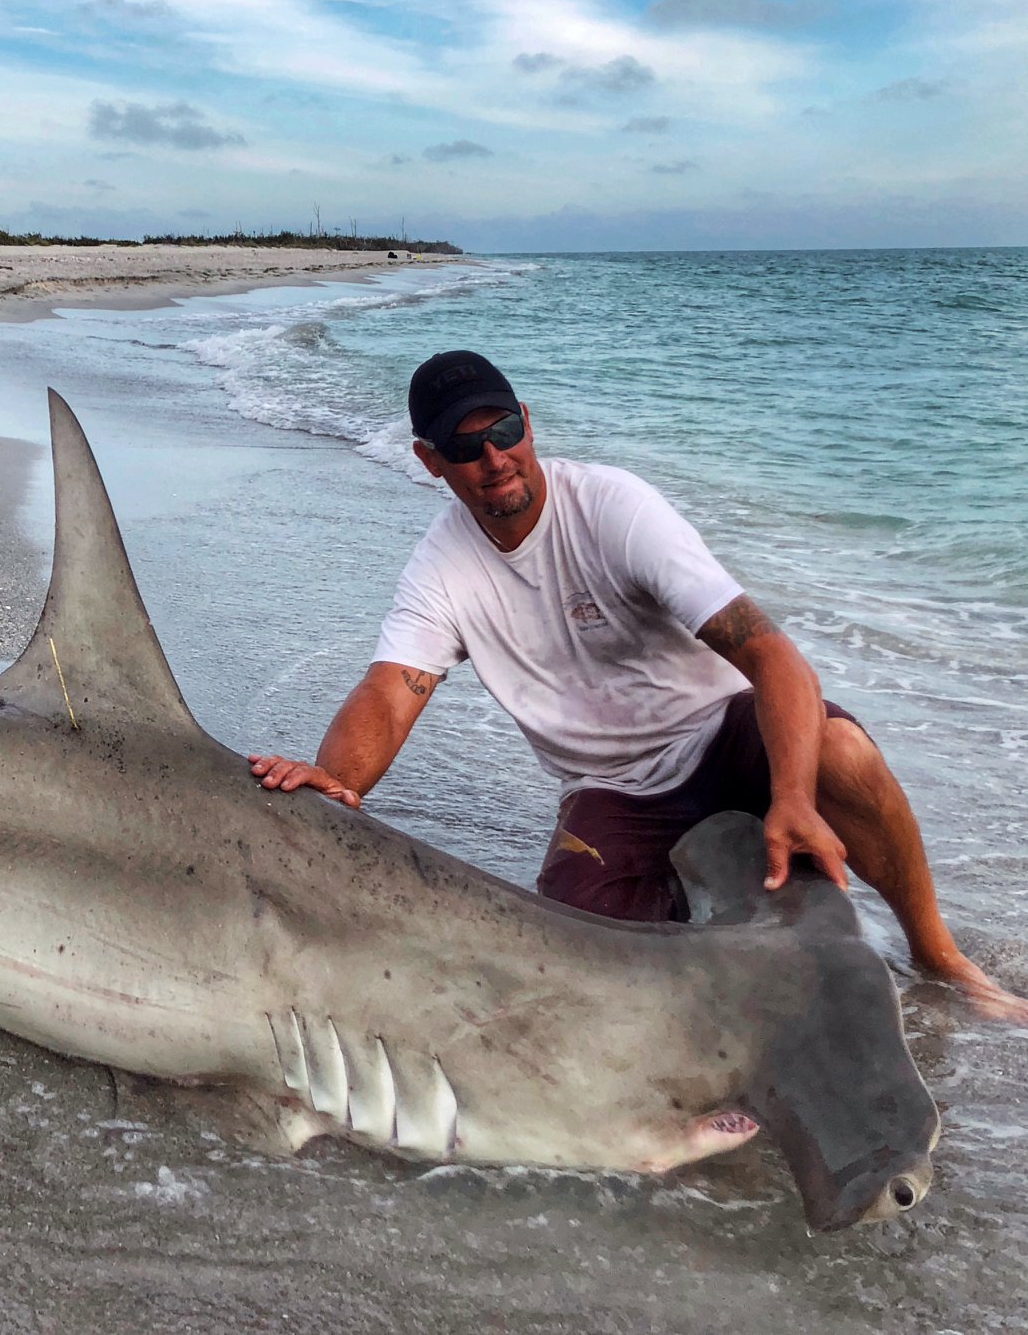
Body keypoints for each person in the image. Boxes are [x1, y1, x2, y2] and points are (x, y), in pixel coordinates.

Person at [249, 349, 1025, 1022]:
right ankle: (714, 949)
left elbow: (774, 657)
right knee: (572, 967)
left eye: (505, 431)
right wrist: (339, 781)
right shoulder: (442, 567)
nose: (495, 459)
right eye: (466, 444)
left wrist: (791, 794)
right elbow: (392, 689)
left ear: (527, 420)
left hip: (724, 734)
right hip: (613, 789)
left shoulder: (614, 507)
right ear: (430, 460)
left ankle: (940, 955)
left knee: (842, 751)